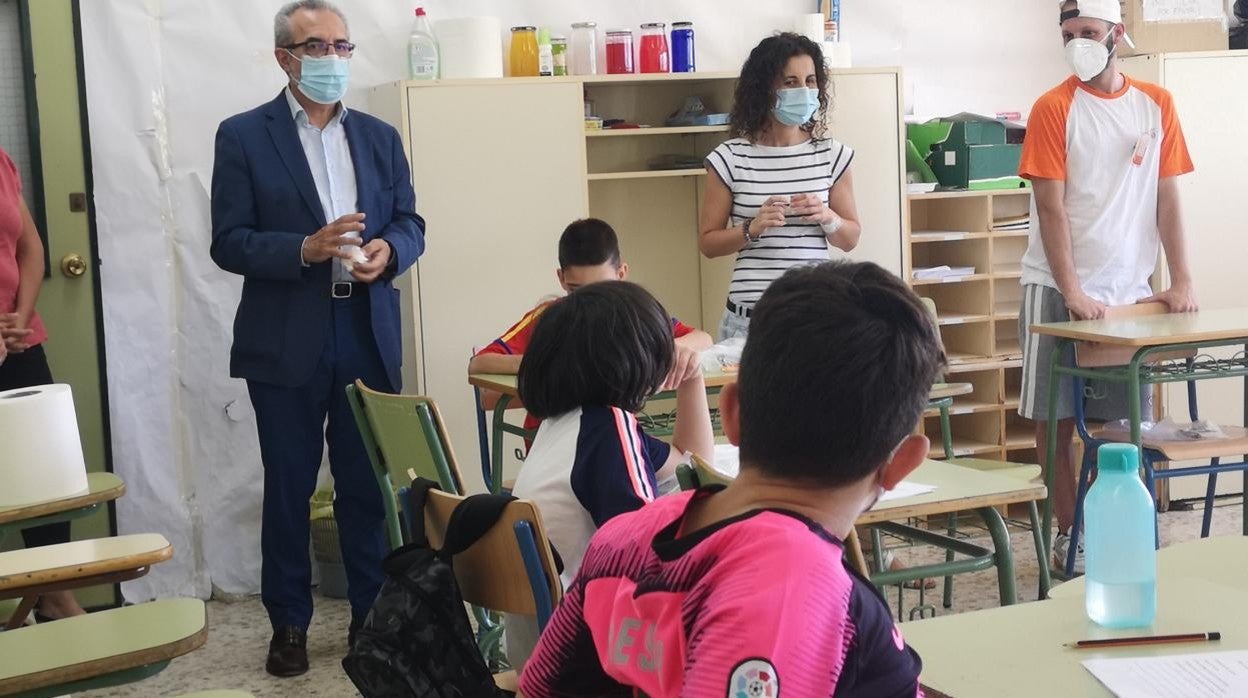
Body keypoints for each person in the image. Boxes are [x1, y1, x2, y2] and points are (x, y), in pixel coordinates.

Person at [519, 261, 939, 697]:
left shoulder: (619, 542)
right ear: (902, 462)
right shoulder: (796, 592)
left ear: (732, 413)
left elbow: (540, 687)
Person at [209, 0, 424, 677]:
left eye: (341, 46)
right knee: (290, 486)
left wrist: (389, 249)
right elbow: (229, 241)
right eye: (316, 46)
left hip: (364, 328)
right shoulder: (244, 136)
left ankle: (367, 617)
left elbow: (413, 222)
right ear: (284, 57)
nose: (332, 58)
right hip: (286, 335)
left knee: (366, 488)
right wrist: (305, 247)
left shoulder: (381, 138)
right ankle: (290, 625)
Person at [1019, 0, 1197, 573]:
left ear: (1117, 34)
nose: (1078, 43)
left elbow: (1167, 198)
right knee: (1055, 421)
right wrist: (1071, 289)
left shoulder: (1156, 104)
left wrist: (1181, 279)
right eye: (1067, 34)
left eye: (1089, 32)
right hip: (1055, 284)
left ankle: (1113, 525)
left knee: (1122, 425)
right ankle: (1070, 534)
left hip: (1127, 291)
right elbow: (1050, 208)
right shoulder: (1054, 107)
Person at [505, 280, 715, 671]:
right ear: (629, 359)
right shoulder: (608, 431)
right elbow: (649, 559)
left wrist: (692, 379)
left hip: (539, 647)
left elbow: (691, 463)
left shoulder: (566, 426)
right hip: (585, 653)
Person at [467, 218, 712, 427]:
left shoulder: (633, 315)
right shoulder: (549, 317)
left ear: (621, 274)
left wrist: (675, 348)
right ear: (561, 278)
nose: (592, 303)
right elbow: (480, 364)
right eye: (577, 291)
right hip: (551, 448)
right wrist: (548, 364)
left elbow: (703, 338)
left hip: (611, 438)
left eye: (602, 289)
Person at [698, 32, 861, 341]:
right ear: (764, 89)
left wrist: (828, 217)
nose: (804, 90)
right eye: (790, 82)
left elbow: (850, 238)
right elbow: (708, 243)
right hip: (750, 322)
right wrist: (751, 228)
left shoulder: (833, 155)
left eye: (811, 81)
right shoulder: (730, 157)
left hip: (816, 315)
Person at [0, 147, 88, 624]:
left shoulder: (1, 161)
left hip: (18, 339)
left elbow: (29, 247)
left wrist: (19, 314)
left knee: (48, 469)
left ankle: (53, 594)